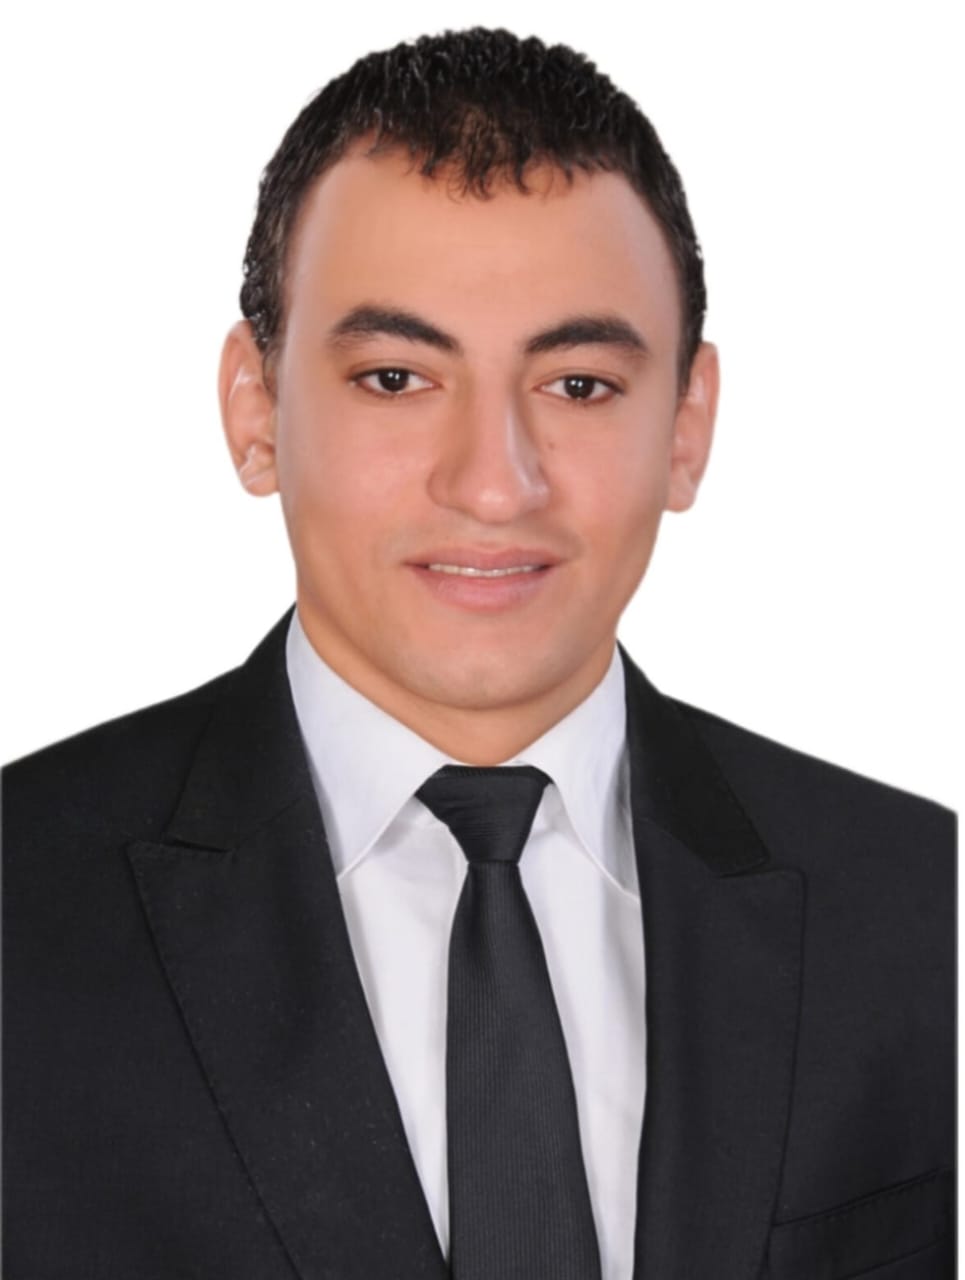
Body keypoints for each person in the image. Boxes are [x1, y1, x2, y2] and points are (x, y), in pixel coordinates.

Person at [2, 27, 954, 1280]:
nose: (494, 485)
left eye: (577, 385)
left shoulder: (921, 905)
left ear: (685, 425)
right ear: (255, 412)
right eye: (396, 378)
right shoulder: (21, 906)